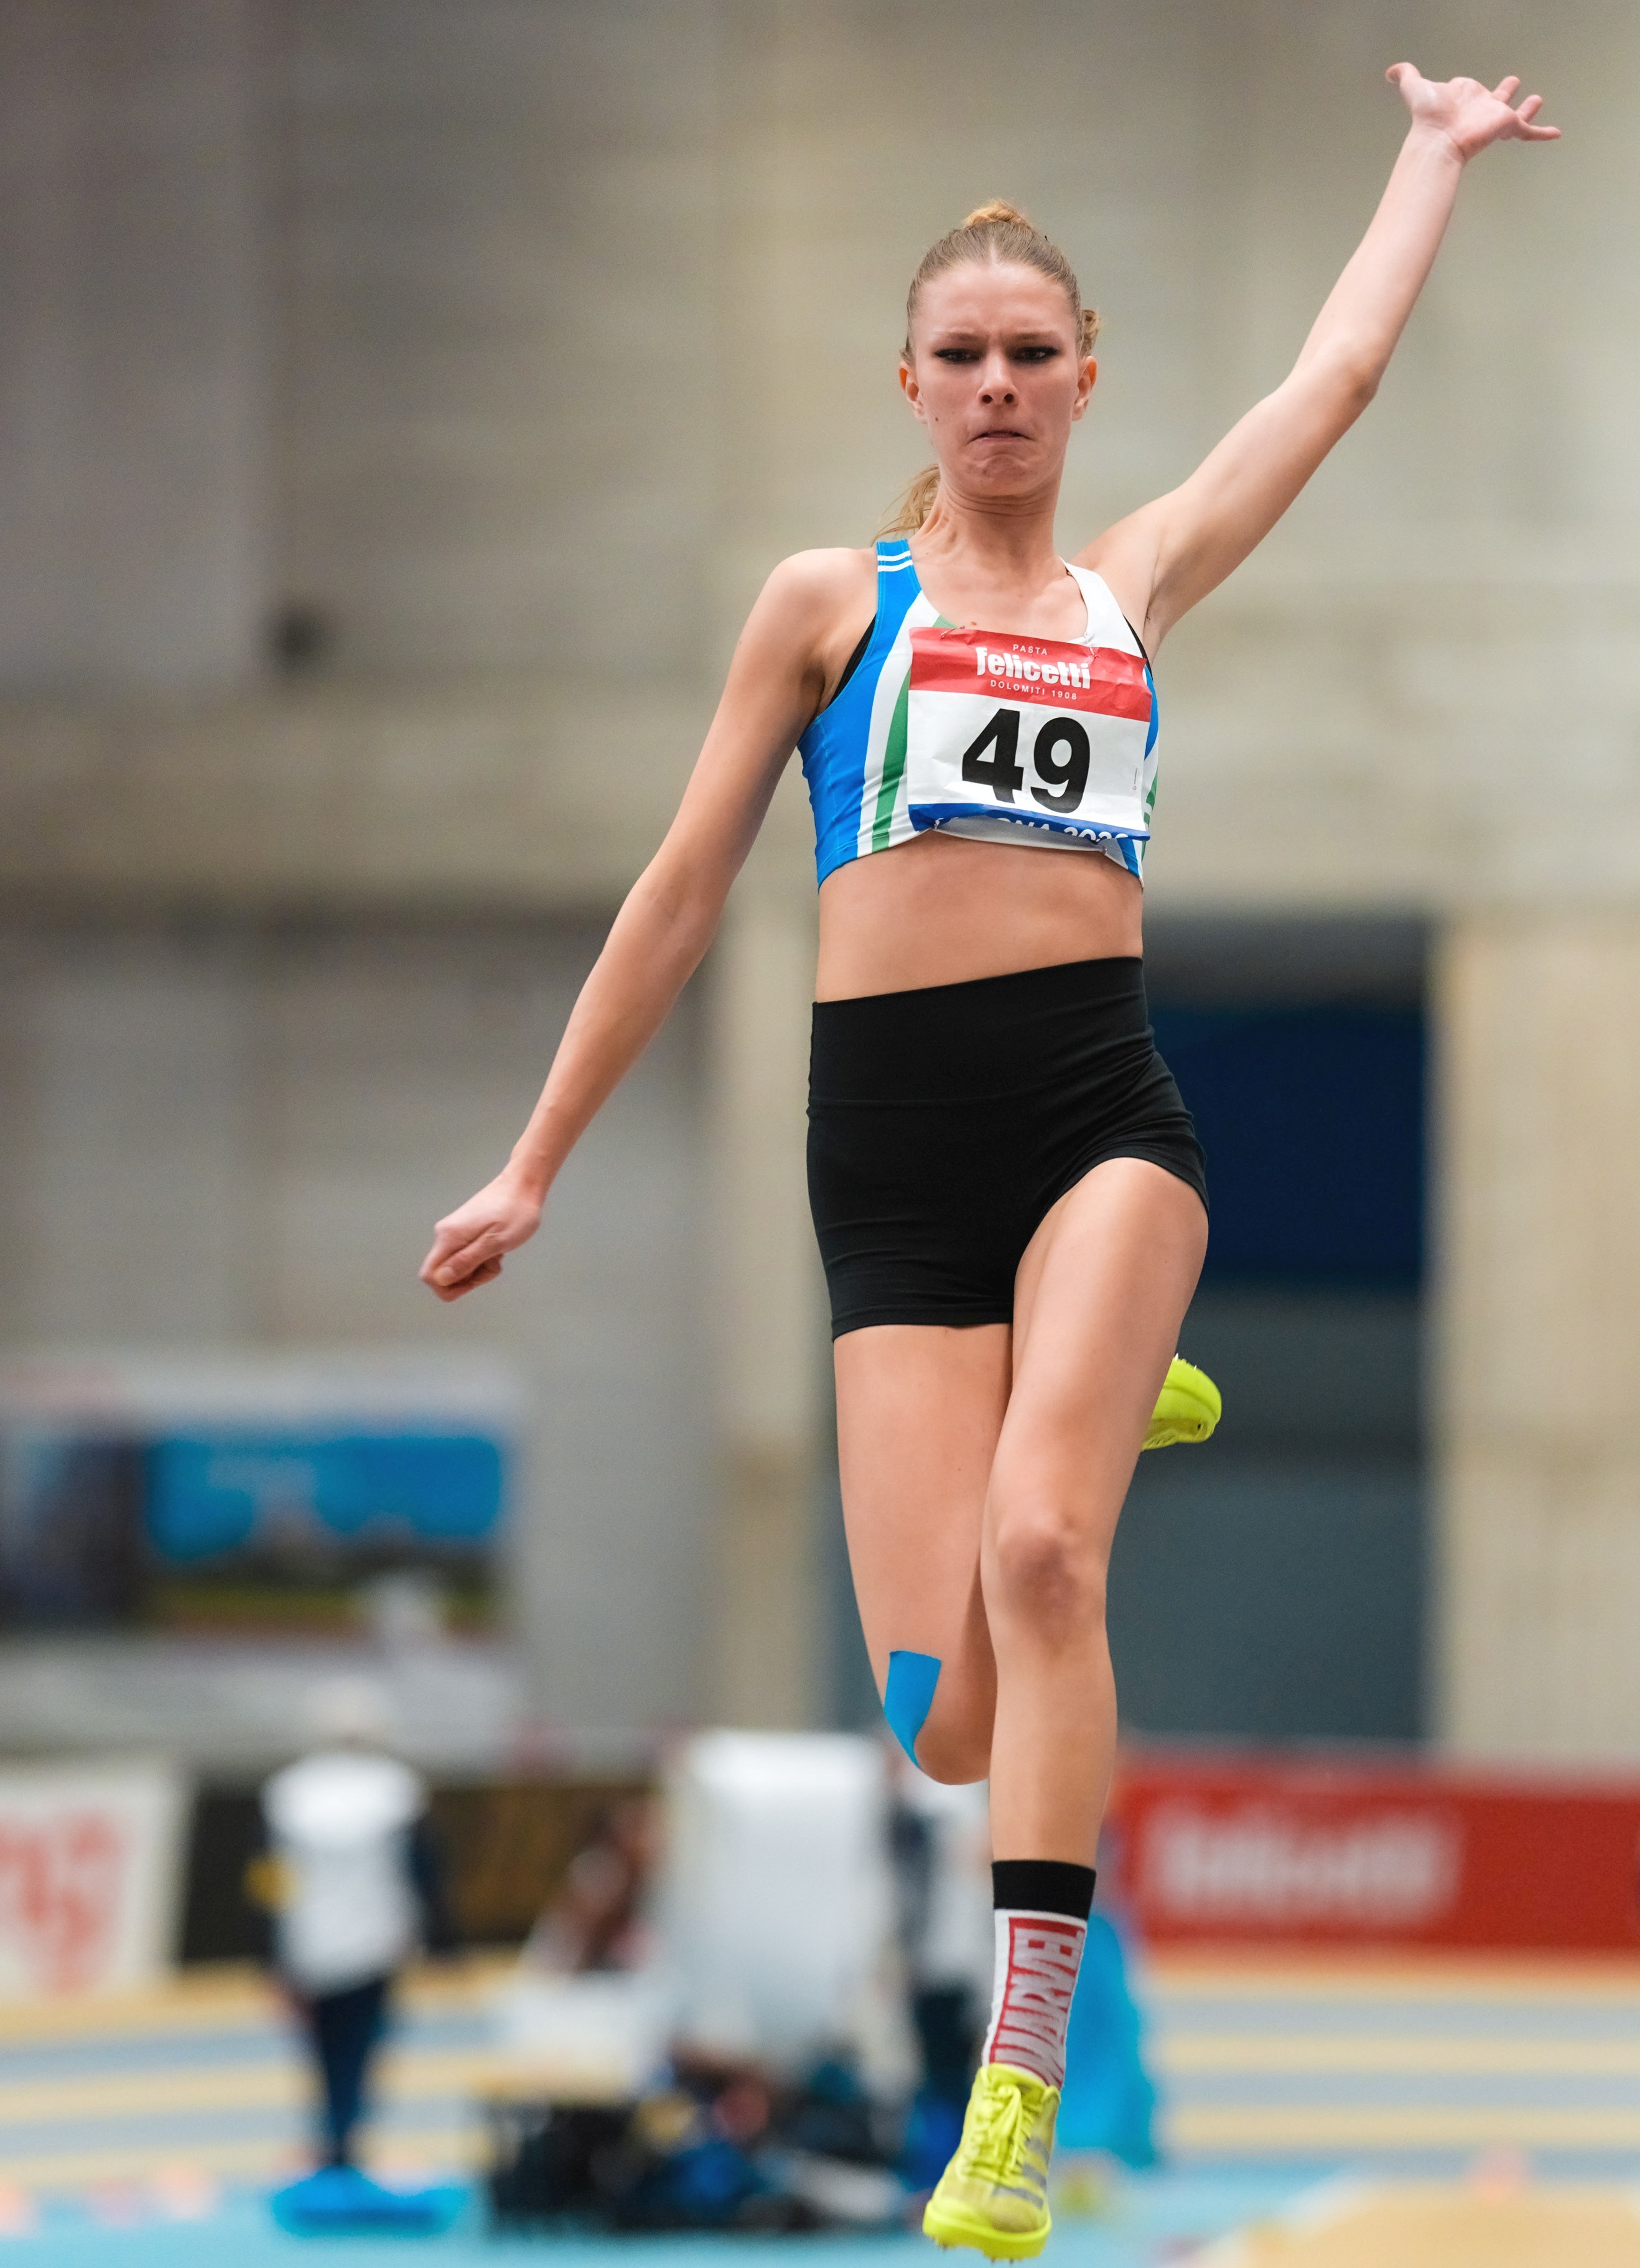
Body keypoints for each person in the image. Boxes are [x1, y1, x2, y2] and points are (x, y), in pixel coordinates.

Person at [419, 62, 1556, 2259]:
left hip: (1092, 1113)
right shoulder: (822, 604)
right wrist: (535, 1158)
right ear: (912, 383)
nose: (1000, 386)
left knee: (1047, 1554)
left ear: (1083, 376)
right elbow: (677, 889)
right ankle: (1106, 1381)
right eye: (962, 354)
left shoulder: (1131, 589)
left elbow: (1327, 381)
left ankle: (1011, 2092)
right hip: (891, 1161)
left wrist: (1424, 158)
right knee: (943, 1715)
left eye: (1034, 352)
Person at [253, 1680, 457, 2183]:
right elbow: (423, 1871)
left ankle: (336, 2139)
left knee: (323, 2051)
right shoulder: (396, 1791)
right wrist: (446, 1941)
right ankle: (346, 2141)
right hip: (374, 1943)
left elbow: (268, 1879)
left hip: (309, 1944)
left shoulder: (289, 1794)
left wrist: (267, 1949)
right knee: (360, 2049)